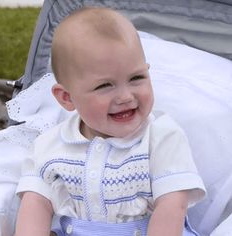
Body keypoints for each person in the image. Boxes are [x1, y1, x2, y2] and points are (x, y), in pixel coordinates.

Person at [14, 7, 206, 236]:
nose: (126, 97)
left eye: (136, 78)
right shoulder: (50, 146)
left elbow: (173, 205)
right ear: (67, 97)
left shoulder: (161, 137)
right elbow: (36, 204)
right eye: (104, 86)